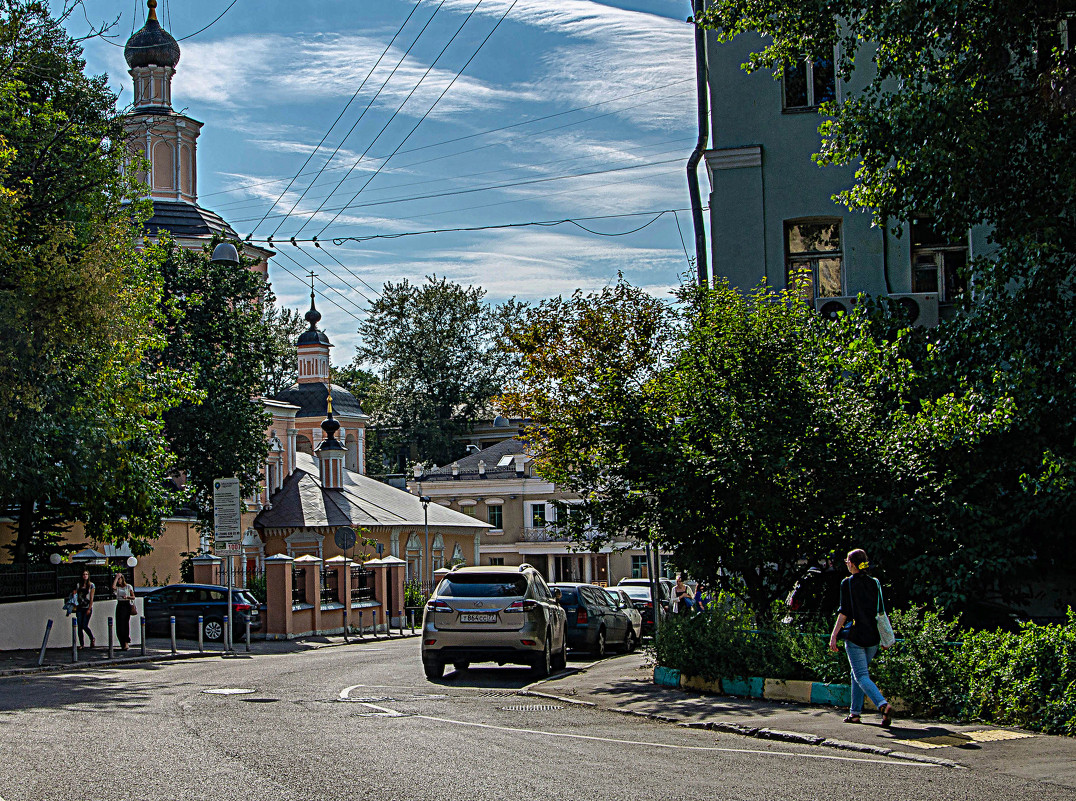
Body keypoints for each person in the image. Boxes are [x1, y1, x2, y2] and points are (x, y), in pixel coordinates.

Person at [829, 548, 894, 727]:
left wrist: (834, 635)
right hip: (873, 637)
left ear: (851, 564)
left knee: (861, 675)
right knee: (856, 673)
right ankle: (855, 713)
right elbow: (881, 611)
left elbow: (844, 613)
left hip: (856, 636)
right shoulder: (875, 583)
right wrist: (886, 638)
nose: (846, 564)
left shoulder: (847, 583)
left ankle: (883, 705)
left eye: (847, 561)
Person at [112, 572, 135, 650]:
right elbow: (113, 587)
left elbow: (133, 597)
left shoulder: (128, 586)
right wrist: (116, 577)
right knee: (119, 625)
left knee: (124, 624)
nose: (119, 580)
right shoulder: (118, 588)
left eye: (120, 579)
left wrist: (127, 597)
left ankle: (126, 642)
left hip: (126, 604)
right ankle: (122, 642)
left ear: (123, 579)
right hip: (120, 605)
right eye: (118, 579)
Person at [75, 569, 95, 649]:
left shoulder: (91, 585)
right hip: (80, 607)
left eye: (86, 574)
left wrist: (89, 608)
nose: (85, 576)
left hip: (87, 607)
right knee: (79, 626)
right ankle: (81, 644)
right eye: (84, 574)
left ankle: (92, 638)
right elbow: (76, 595)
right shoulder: (79, 585)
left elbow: (91, 598)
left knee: (84, 625)